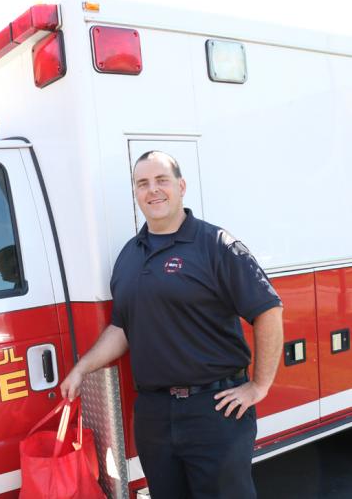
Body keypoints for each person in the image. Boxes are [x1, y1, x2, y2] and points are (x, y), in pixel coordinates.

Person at [60, 151, 283, 499]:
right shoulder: (129, 256)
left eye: (161, 180)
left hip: (214, 409)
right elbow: (121, 329)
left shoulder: (216, 245)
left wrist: (258, 386)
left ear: (181, 186)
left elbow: (268, 310)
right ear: (136, 193)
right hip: (154, 415)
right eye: (142, 184)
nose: (153, 190)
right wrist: (81, 369)